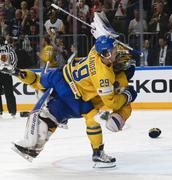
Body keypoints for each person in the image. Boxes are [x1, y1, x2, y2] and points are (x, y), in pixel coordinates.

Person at [0, 36, 137, 167]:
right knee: (92, 118)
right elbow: (112, 103)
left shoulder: (95, 51)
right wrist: (128, 95)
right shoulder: (103, 77)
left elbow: (103, 39)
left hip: (61, 76)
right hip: (74, 95)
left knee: (38, 81)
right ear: (106, 54)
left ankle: (16, 72)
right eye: (114, 52)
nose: (116, 53)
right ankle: (97, 153)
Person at [0, 43, 17, 117]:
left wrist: (11, 68)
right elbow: (14, 58)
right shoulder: (9, 48)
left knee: (9, 92)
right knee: (9, 92)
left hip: (6, 72)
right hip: (6, 73)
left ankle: (10, 111)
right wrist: (11, 68)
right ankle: (12, 111)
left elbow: (14, 58)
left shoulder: (9, 48)